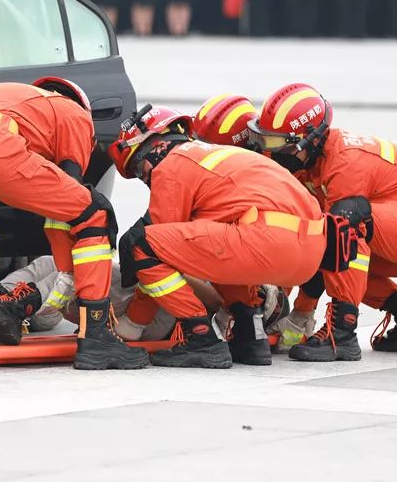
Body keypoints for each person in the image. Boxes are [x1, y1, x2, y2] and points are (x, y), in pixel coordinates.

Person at [0, 78, 148, 370]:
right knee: (93, 212)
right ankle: (95, 336)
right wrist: (66, 274)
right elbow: (68, 197)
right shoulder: (72, 113)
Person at [248, 83, 397, 359]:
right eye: (266, 141)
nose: (271, 152)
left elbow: (331, 240)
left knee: (344, 228)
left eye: (278, 143)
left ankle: (341, 334)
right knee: (338, 247)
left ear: (310, 140)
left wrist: (300, 313)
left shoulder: (345, 163)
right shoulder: (310, 160)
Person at [110, 105, 330, 368]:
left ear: (156, 146)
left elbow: (154, 248)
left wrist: (133, 324)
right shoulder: (218, 157)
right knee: (207, 245)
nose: (142, 177)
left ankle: (201, 338)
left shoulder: (172, 165)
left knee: (141, 244)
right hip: (310, 254)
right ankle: (251, 337)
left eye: (137, 166)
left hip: (267, 241)